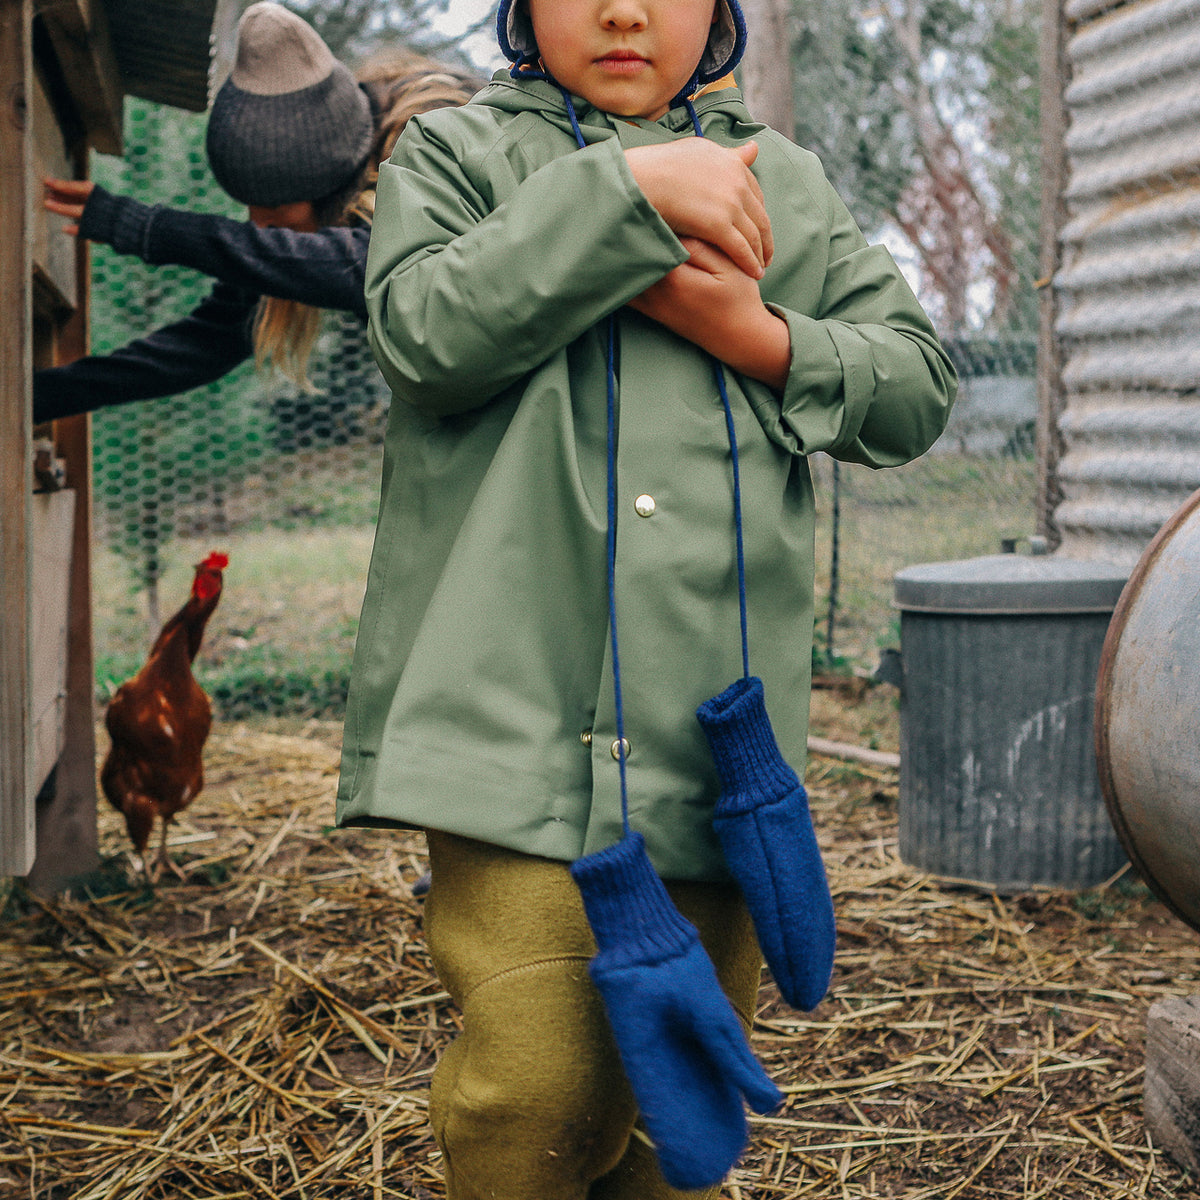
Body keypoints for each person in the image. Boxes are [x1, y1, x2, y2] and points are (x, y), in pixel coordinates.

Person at [337, 0, 957, 1197]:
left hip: (706, 747)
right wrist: (631, 201)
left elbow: (915, 386)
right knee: (534, 1090)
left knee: (670, 1104)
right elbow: (424, 335)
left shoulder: (779, 182)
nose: (625, 9)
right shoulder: (461, 157)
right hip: (509, 721)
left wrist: (761, 335)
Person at [35, 2, 480, 424]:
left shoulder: (440, 146)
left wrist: (150, 229)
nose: (258, 226)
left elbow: (368, 263)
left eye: (273, 208)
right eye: (250, 206)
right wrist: (35, 397)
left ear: (327, 189)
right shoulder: (330, 172)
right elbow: (202, 344)